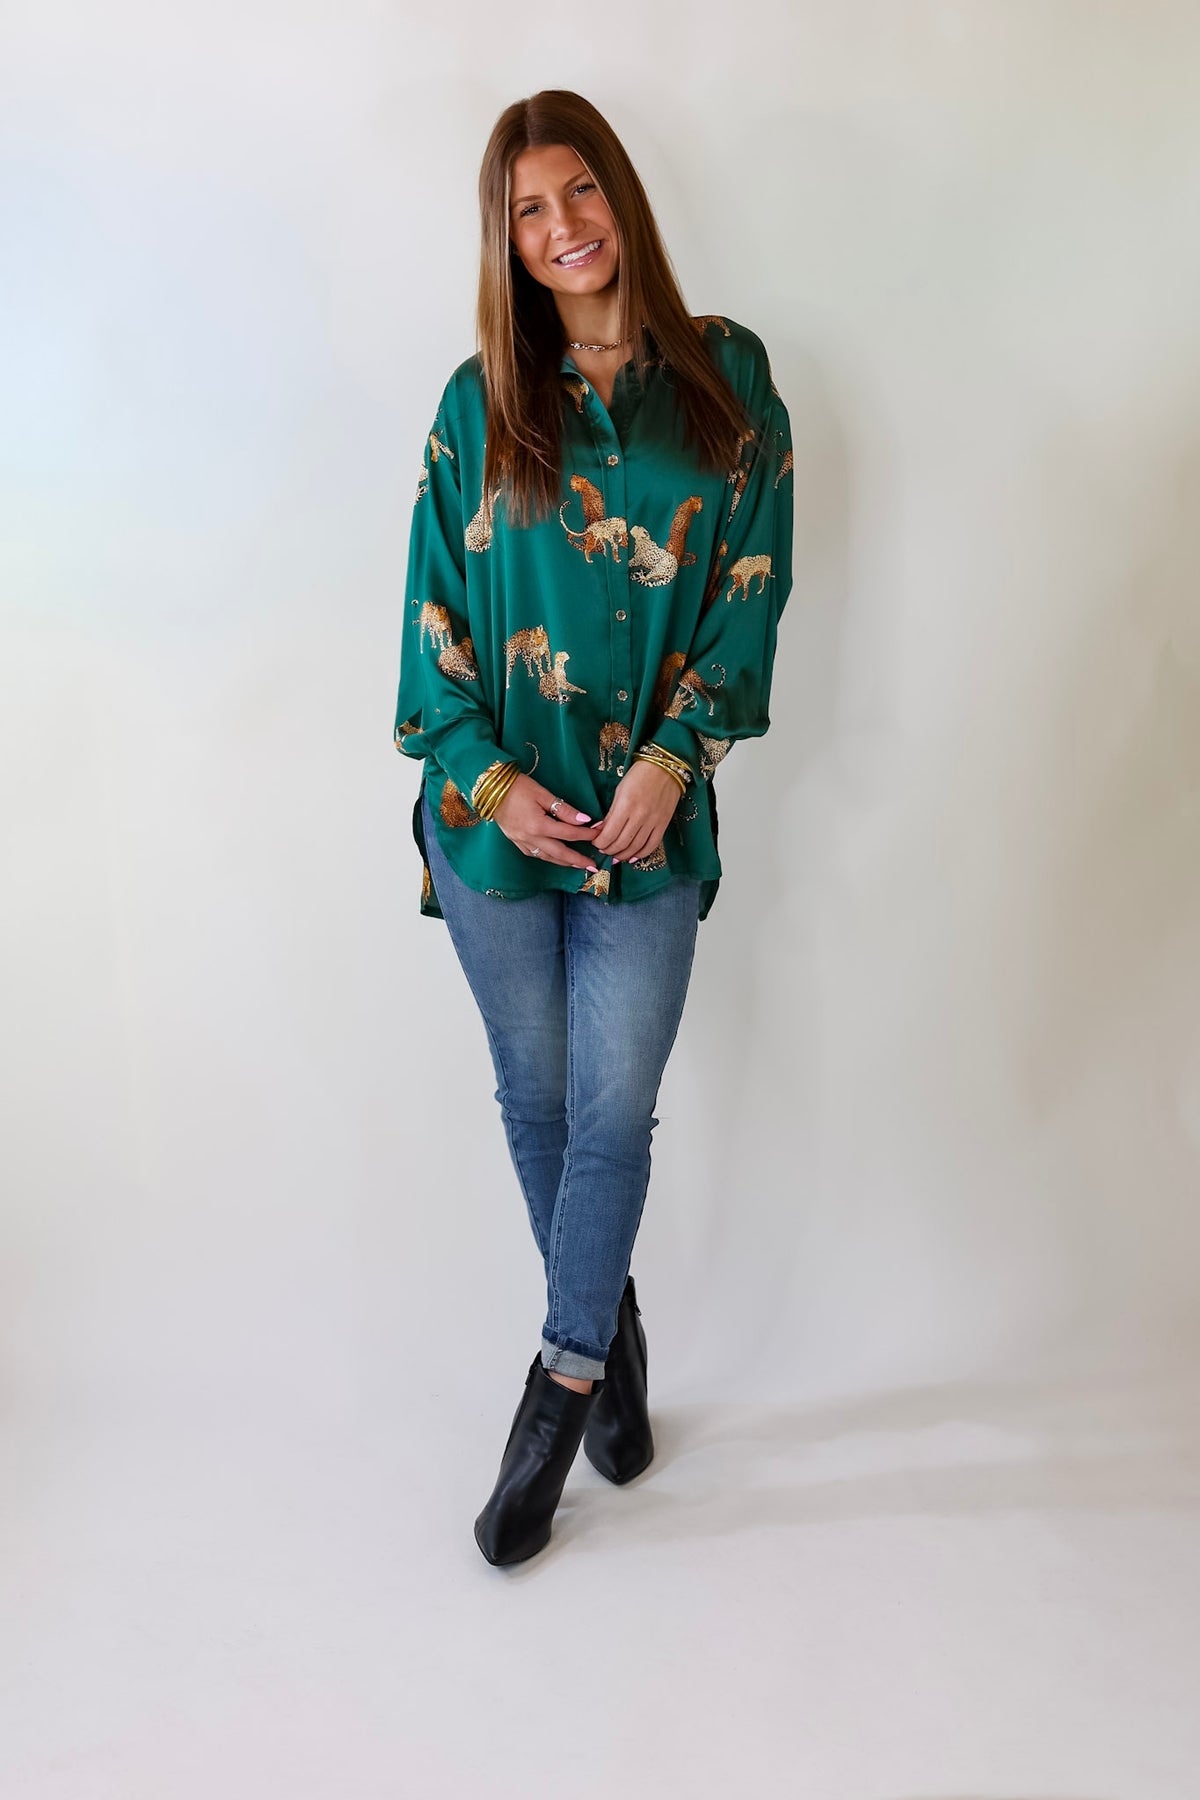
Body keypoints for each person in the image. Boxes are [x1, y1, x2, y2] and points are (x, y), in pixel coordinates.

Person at [392, 89, 794, 1566]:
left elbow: (751, 591)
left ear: (620, 192)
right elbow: (430, 630)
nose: (562, 227)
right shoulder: (478, 403)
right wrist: (493, 784)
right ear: (506, 238)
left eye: (579, 190)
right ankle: (611, 1343)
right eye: (527, 210)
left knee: (613, 1113)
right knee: (542, 1107)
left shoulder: (730, 379)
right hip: (492, 829)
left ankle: (557, 1397)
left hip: (644, 833)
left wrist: (676, 762)